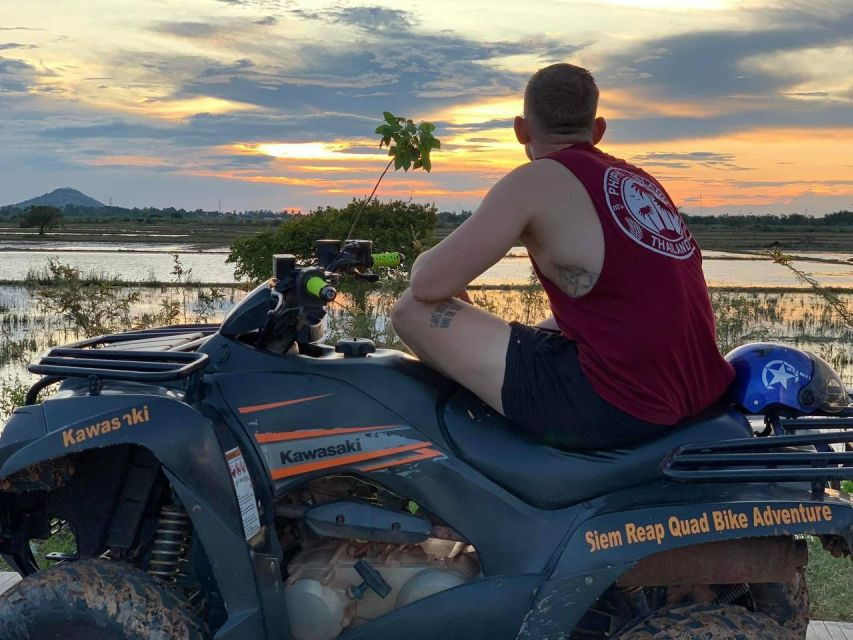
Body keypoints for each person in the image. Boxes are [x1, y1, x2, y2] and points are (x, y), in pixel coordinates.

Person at [390, 63, 734, 450]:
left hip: (619, 403)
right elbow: (624, 302)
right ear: (598, 129)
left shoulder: (533, 180)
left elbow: (428, 285)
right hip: (698, 388)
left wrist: (421, 259)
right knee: (542, 327)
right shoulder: (639, 181)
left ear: (521, 129)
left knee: (410, 310)